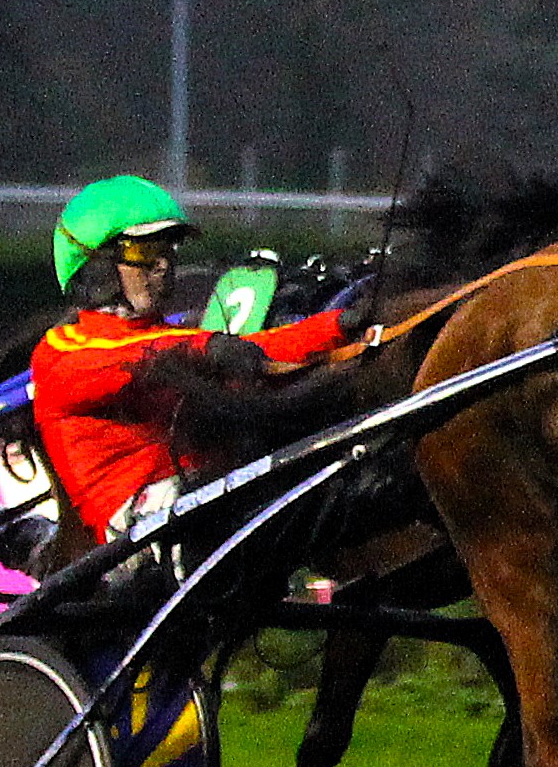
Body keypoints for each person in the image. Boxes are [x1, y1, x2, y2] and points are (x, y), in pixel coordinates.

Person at [30, 175, 355, 550]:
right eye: (144, 252)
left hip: (201, 504)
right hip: (135, 540)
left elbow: (261, 347)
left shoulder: (168, 336)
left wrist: (342, 324)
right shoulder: (60, 352)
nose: (163, 265)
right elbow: (133, 361)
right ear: (97, 266)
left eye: (169, 249)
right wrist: (208, 349)